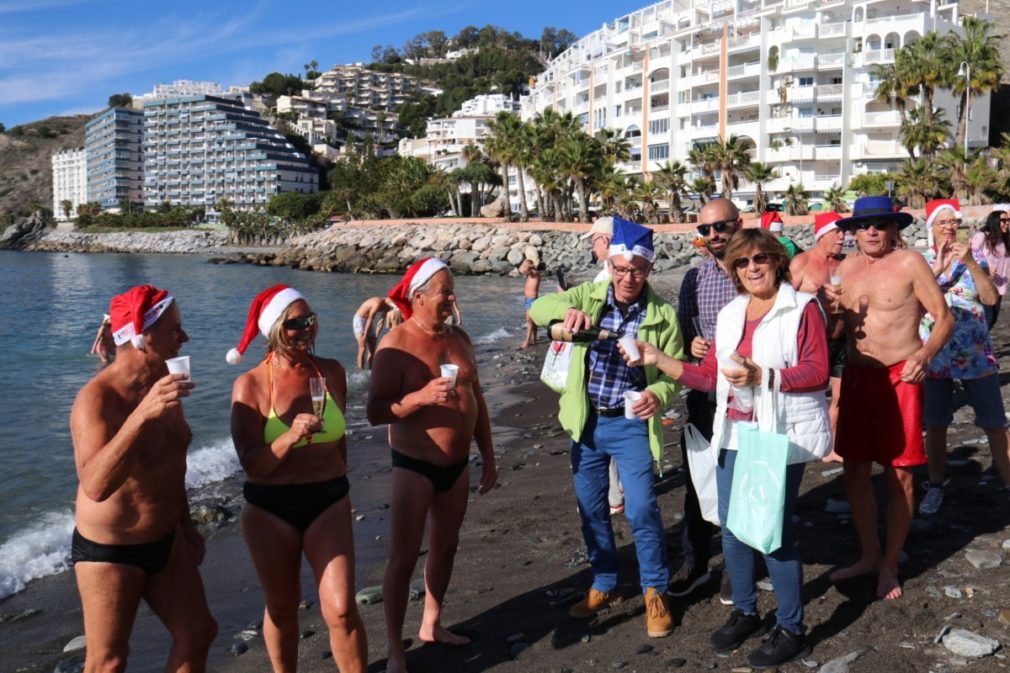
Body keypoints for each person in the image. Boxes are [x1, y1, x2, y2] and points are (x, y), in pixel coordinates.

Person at [621, 228, 831, 668]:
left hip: (778, 433)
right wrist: (658, 359)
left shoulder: (802, 308)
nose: (752, 268)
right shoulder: (733, 312)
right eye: (742, 262)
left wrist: (764, 377)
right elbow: (708, 376)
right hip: (733, 431)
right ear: (734, 270)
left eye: (760, 259)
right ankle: (746, 611)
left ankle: (792, 627)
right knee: (733, 527)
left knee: (771, 532)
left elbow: (816, 371)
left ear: (776, 261)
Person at [529, 217, 683, 638]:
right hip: (587, 422)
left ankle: (655, 591)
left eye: (636, 269)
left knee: (641, 510)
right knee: (592, 509)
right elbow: (537, 308)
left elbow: (673, 372)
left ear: (649, 270)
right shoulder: (591, 296)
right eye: (620, 268)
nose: (627, 277)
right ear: (610, 265)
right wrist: (567, 308)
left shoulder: (663, 315)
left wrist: (661, 396)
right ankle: (605, 583)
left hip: (631, 422)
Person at [69, 284, 217, 672]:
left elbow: (171, 461)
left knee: (198, 633)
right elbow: (95, 485)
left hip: (166, 539)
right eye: (174, 330)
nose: (184, 337)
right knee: (108, 662)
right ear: (140, 338)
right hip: (112, 547)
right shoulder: (97, 399)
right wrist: (141, 417)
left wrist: (186, 524)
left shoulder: (163, 381)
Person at [228, 284, 368, 673]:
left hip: (329, 501)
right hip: (271, 508)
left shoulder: (332, 371)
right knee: (282, 606)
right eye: (296, 323)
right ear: (274, 329)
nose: (307, 328)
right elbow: (253, 465)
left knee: (341, 610)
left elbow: (341, 440)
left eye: (311, 319)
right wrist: (290, 435)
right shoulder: (251, 386)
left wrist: (341, 483)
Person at [368, 258, 497, 673]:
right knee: (403, 558)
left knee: (446, 545)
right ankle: (394, 648)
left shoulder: (460, 337)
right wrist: (420, 398)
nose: (451, 298)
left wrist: (489, 456)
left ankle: (432, 624)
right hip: (415, 465)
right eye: (445, 291)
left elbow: (477, 401)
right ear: (418, 297)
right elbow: (375, 411)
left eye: (451, 289)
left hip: (457, 464)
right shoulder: (395, 345)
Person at [823, 196, 953, 600]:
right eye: (864, 226)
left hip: (901, 377)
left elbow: (943, 317)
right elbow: (836, 335)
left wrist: (924, 356)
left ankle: (891, 564)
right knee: (856, 471)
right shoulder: (846, 268)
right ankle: (868, 555)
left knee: (901, 474)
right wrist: (833, 313)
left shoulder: (911, 262)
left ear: (894, 228)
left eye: (880, 224)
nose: (872, 231)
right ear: (854, 232)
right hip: (860, 377)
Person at [917, 199, 1009, 516]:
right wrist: (939, 270)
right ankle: (936, 484)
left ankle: (1008, 483)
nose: (949, 228)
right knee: (937, 423)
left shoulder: (977, 260)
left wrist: (970, 262)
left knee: (996, 423)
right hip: (936, 356)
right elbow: (912, 304)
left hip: (976, 355)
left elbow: (990, 297)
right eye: (942, 223)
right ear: (931, 228)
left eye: (953, 223)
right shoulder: (919, 264)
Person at [672, 197, 743, 601]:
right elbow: (681, 336)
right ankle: (696, 562)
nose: (713, 235)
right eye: (705, 230)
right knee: (698, 481)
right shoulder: (695, 279)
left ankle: (738, 565)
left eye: (720, 226)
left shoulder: (759, 269)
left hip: (749, 395)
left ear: (738, 223)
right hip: (706, 393)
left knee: (744, 479)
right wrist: (691, 345)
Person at [790, 211, 845, 462]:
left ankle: (831, 447)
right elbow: (784, 301)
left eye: (844, 232)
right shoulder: (802, 263)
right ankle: (803, 443)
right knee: (808, 398)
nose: (843, 237)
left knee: (840, 397)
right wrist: (813, 299)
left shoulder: (845, 264)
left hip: (842, 338)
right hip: (812, 343)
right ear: (823, 234)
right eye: (837, 232)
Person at [581, 215, 625, 515]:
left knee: (604, 441)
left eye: (594, 240)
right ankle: (618, 493)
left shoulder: (606, 275)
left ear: (605, 241)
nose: (593, 246)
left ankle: (614, 499)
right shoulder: (625, 269)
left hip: (605, 373)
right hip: (622, 373)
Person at [970, 205, 1010, 330]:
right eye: (1003, 220)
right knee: (987, 318)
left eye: (1008, 220)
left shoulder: (1005, 239)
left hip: (1000, 284)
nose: (1006, 223)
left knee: (992, 319)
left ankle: (979, 345)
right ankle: (978, 346)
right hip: (984, 283)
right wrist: (985, 268)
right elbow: (971, 255)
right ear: (995, 221)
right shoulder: (982, 236)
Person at [353, 296, 396, 369]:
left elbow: (381, 321)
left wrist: (376, 335)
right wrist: (364, 336)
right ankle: (360, 371)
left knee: (372, 348)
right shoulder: (377, 303)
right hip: (359, 320)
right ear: (388, 299)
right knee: (362, 347)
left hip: (368, 322)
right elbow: (370, 318)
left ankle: (370, 370)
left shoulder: (387, 307)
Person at [519, 258, 541, 349]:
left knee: (529, 322)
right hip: (528, 300)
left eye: (525, 266)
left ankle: (527, 342)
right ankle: (534, 339)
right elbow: (522, 270)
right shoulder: (529, 275)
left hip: (532, 300)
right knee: (533, 321)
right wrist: (525, 263)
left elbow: (523, 270)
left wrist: (528, 265)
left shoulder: (535, 274)